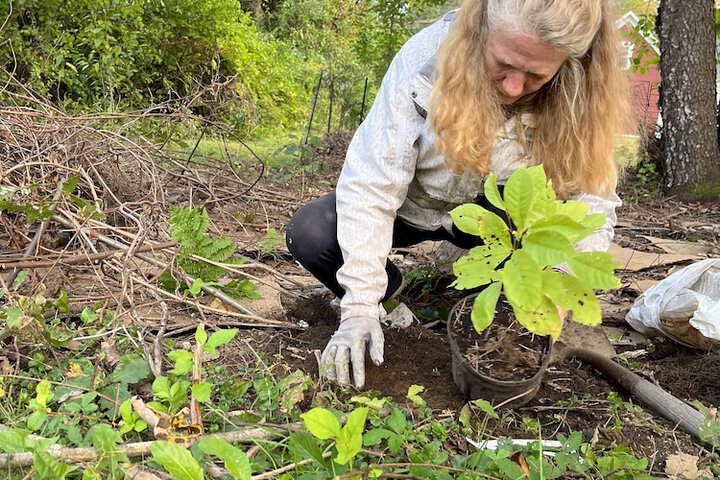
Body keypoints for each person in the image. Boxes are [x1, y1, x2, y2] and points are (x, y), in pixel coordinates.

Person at [285, 0, 631, 389]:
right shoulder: (425, 58)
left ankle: (490, 298)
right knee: (312, 232)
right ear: (481, 28)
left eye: (536, 74)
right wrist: (360, 305)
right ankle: (391, 295)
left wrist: (558, 289)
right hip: (412, 204)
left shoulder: (583, 88)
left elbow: (591, 205)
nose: (514, 87)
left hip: (495, 219)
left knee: (509, 309)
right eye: (503, 63)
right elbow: (371, 183)